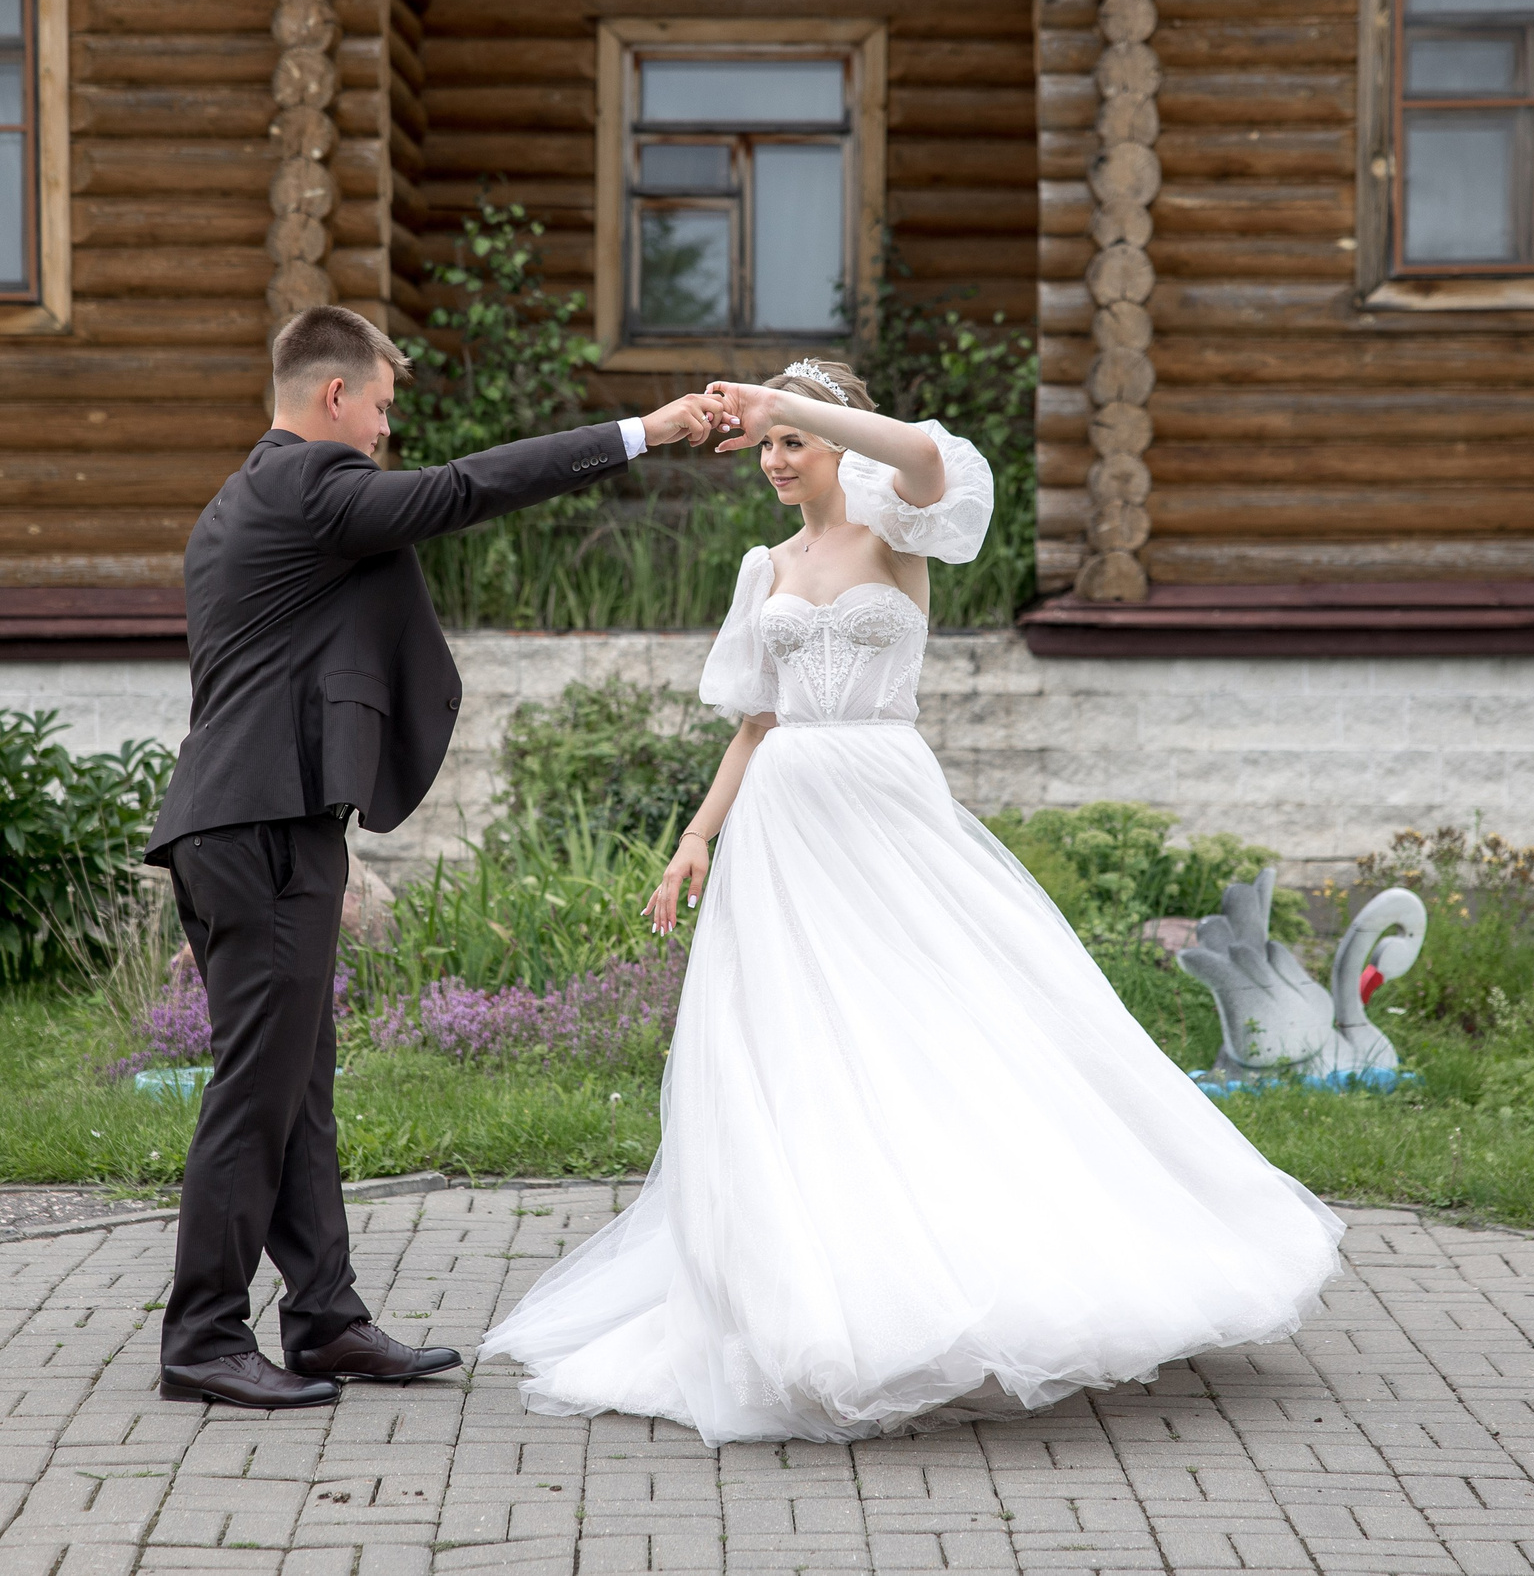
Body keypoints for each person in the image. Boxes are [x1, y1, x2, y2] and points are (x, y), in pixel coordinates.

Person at [478, 359, 1346, 1444]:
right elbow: (756, 719)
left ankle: (984, 1265)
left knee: (939, 1024)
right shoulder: (769, 566)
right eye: (766, 446)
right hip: (786, 825)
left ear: (837, 433)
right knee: (795, 1046)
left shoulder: (904, 527)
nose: (775, 459)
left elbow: (931, 454)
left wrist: (786, 402)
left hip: (886, 801)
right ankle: (813, 1296)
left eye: (793, 441)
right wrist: (695, 837)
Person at [144, 305, 725, 1411]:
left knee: (296, 1083)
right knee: (255, 1091)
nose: (383, 435)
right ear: (333, 398)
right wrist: (641, 431)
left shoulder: (247, 499)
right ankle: (203, 1336)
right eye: (380, 410)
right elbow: (461, 491)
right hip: (257, 825)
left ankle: (323, 1319)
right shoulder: (306, 486)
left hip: (259, 819)